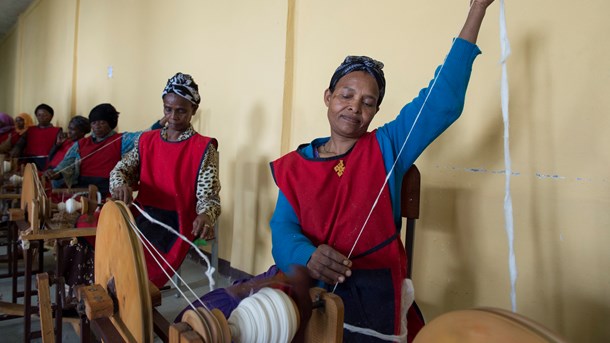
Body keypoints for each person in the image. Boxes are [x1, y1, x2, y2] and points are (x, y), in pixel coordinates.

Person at [268, 1, 495, 342]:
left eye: (368, 101)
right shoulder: (297, 164)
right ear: (328, 97)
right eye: (346, 94)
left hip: (371, 288)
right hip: (307, 280)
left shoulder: (388, 146)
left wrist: (477, 9)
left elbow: (442, 101)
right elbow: (283, 227)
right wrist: (306, 255)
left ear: (376, 112)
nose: (354, 106)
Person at [110, 72, 221, 288]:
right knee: (97, 234)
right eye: (168, 109)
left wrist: (206, 215)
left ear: (193, 111)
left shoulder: (203, 148)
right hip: (142, 211)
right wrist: (120, 184)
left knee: (135, 257)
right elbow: (121, 170)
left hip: (175, 220)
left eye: (181, 111)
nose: (173, 117)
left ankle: (131, 308)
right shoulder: (146, 140)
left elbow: (208, 196)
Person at [45, 103, 166, 196]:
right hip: (81, 191)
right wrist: (56, 172)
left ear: (111, 123)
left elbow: (144, 136)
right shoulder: (80, 144)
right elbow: (67, 163)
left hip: (109, 192)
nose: (97, 126)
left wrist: (162, 121)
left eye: (102, 122)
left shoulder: (122, 140)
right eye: (94, 123)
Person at [11, 104, 62, 169]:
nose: (41, 117)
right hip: (29, 162)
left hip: (47, 162)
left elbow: (58, 147)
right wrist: (17, 148)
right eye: (39, 115)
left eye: (44, 115)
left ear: (51, 116)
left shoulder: (57, 130)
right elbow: (21, 143)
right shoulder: (30, 130)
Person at [44, 115, 91, 188]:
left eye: (72, 129)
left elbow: (71, 169)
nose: (69, 132)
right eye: (69, 128)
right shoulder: (66, 142)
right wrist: (57, 145)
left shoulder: (81, 146)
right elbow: (50, 158)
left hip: (62, 179)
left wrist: (56, 173)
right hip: (51, 174)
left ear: (82, 132)